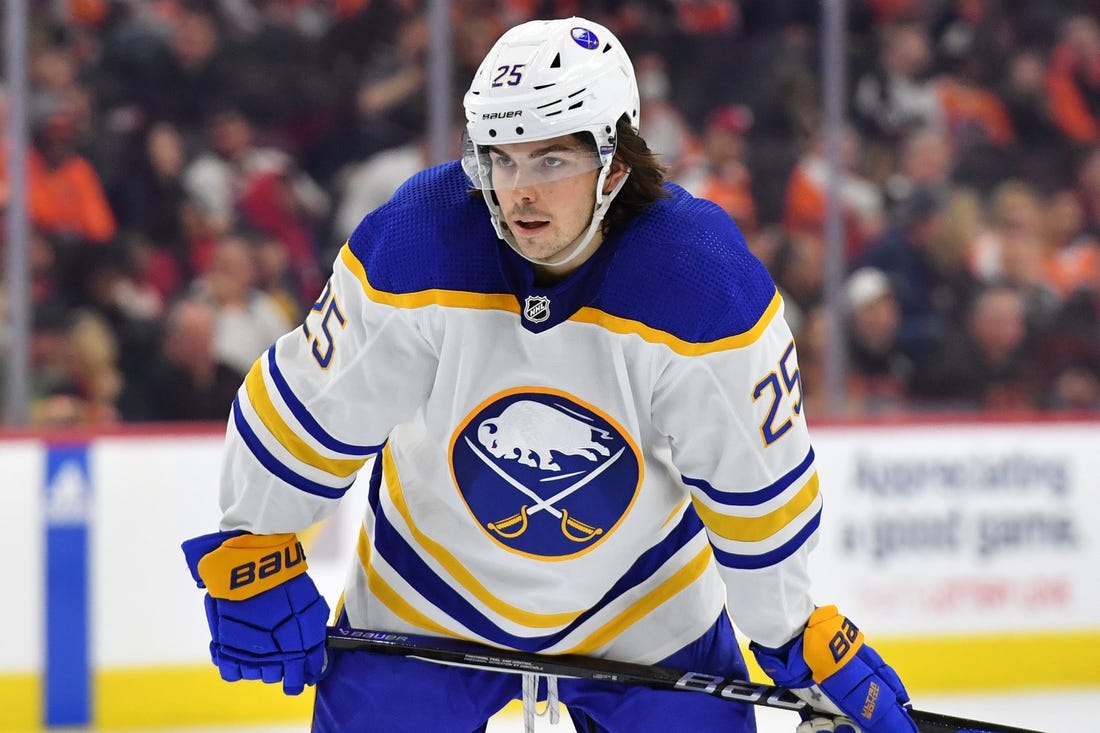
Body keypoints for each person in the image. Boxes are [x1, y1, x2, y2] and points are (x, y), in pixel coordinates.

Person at [182, 17, 918, 733]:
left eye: (551, 160)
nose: (518, 190)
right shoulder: (422, 239)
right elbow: (309, 406)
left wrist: (790, 630)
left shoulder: (700, 279)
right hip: (427, 588)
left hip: (643, 603)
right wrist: (254, 540)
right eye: (501, 159)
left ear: (617, 163)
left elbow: (754, 486)